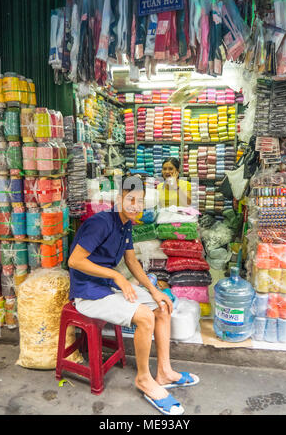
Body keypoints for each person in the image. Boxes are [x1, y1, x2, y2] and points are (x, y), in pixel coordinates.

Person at [68, 175, 199, 415]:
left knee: (163, 305)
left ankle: (164, 372)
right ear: (119, 199)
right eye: (131, 199)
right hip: (88, 293)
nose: (135, 206)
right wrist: (117, 277)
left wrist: (154, 290)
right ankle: (144, 378)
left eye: (140, 201)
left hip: (106, 286)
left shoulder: (126, 223)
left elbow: (131, 260)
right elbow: (74, 261)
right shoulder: (101, 223)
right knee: (144, 316)